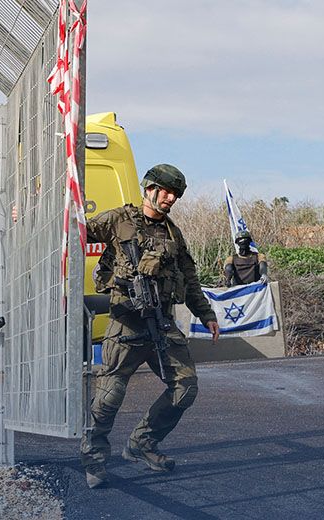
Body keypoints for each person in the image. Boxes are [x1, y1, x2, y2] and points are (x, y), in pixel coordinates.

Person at [81, 164, 220, 488]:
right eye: (165, 190)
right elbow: (75, 231)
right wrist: (29, 214)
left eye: (175, 194)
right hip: (126, 324)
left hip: (161, 324)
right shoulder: (119, 220)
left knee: (185, 387)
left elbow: (190, 279)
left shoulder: (174, 234)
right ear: (149, 189)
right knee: (107, 399)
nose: (170, 198)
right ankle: (95, 459)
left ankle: (142, 444)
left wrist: (207, 315)